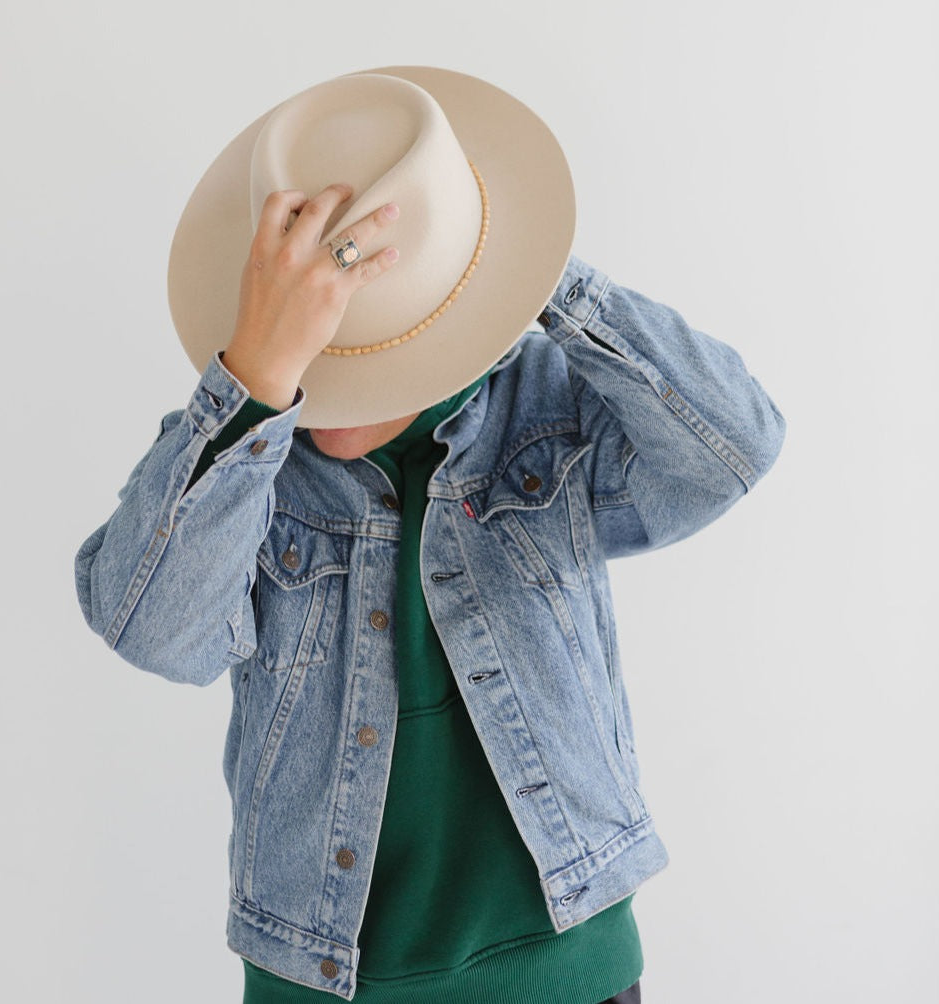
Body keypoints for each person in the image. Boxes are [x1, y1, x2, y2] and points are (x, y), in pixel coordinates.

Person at [74, 67, 786, 1003]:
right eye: (310, 332)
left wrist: (523, 273)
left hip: (568, 975)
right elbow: (153, 631)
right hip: (318, 979)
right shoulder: (241, 453)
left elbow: (732, 446)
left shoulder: (539, 407)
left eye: (361, 334)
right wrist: (255, 377)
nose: (329, 373)